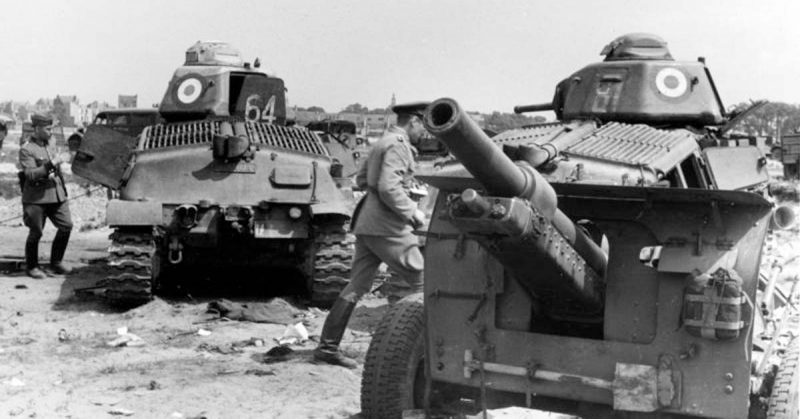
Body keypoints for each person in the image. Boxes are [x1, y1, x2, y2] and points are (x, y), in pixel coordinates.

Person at [314, 102, 429, 368]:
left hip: (368, 221)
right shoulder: (399, 144)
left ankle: (327, 348)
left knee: (357, 285)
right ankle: (426, 355)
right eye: (423, 126)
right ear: (413, 121)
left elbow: (362, 180)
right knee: (424, 281)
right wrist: (413, 210)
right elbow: (389, 188)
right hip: (387, 226)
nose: (425, 133)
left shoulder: (382, 141)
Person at [18, 114, 73, 279]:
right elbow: (30, 175)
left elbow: (56, 167)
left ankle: (56, 262)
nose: (51, 132)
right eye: (48, 129)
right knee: (36, 232)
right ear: (37, 128)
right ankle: (32, 266)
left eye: (51, 128)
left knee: (66, 225)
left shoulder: (52, 142)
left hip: (56, 194)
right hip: (36, 198)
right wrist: (52, 163)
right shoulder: (26, 149)